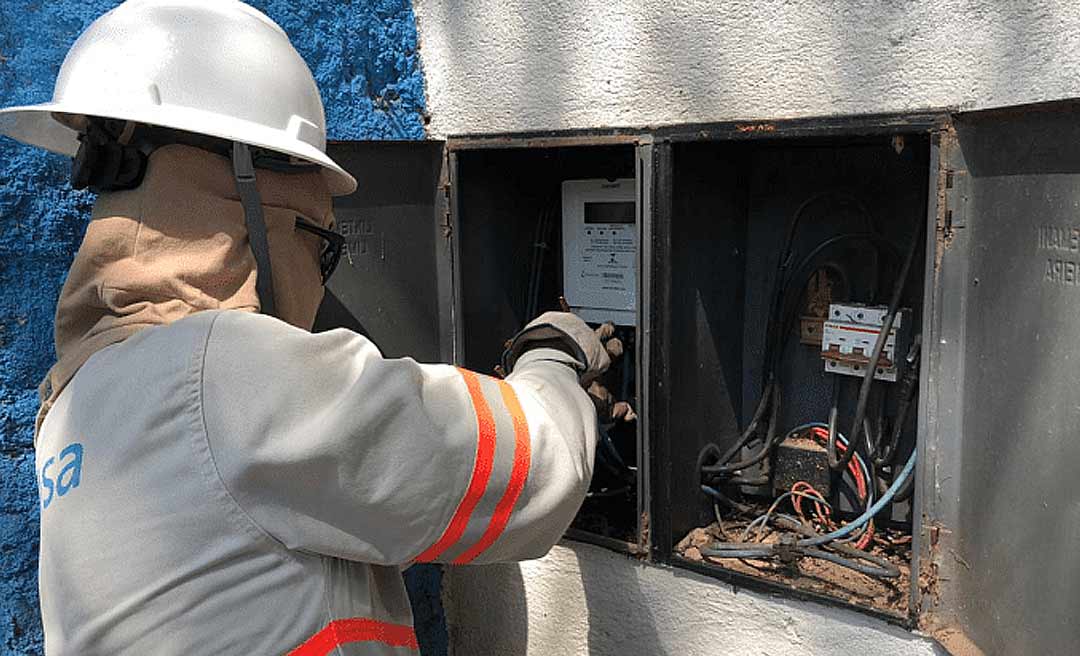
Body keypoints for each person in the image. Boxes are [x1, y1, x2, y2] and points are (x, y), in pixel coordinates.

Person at [0, 1, 613, 653]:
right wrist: (556, 350)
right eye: (320, 245)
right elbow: (535, 471)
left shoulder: (73, 401)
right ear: (253, 208)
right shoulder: (225, 369)